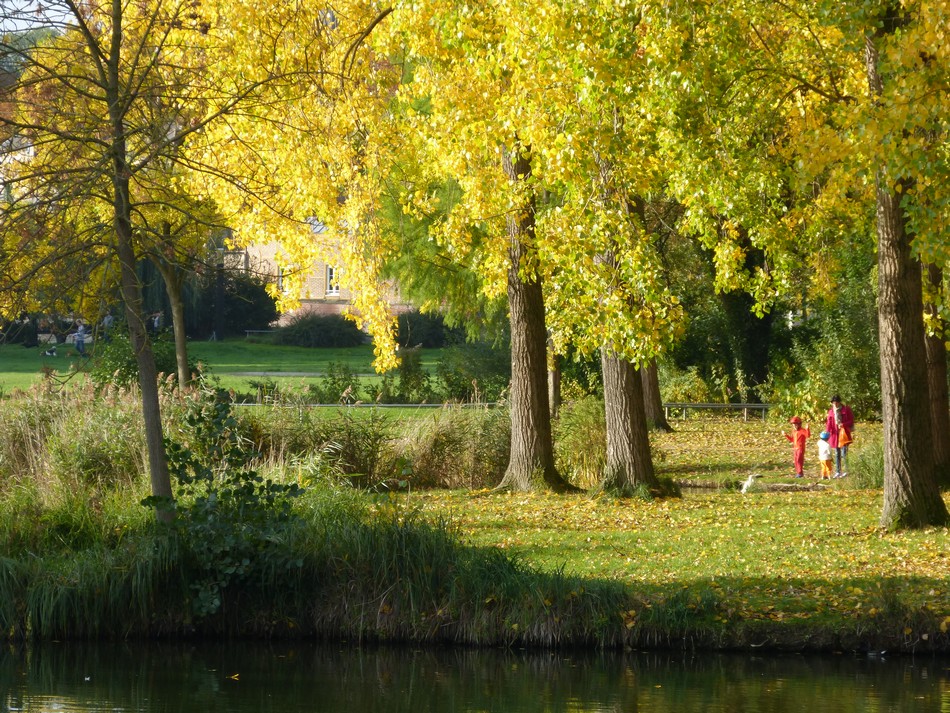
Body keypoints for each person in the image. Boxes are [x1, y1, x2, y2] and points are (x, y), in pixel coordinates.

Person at [825, 394, 855, 478]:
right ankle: (838, 471)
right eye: (833, 403)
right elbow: (829, 423)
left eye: (836, 403)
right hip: (834, 435)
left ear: (839, 402)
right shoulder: (831, 411)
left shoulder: (846, 409)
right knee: (837, 453)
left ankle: (846, 470)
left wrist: (843, 424)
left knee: (844, 453)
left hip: (843, 433)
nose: (835, 405)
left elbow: (851, 421)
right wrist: (827, 432)